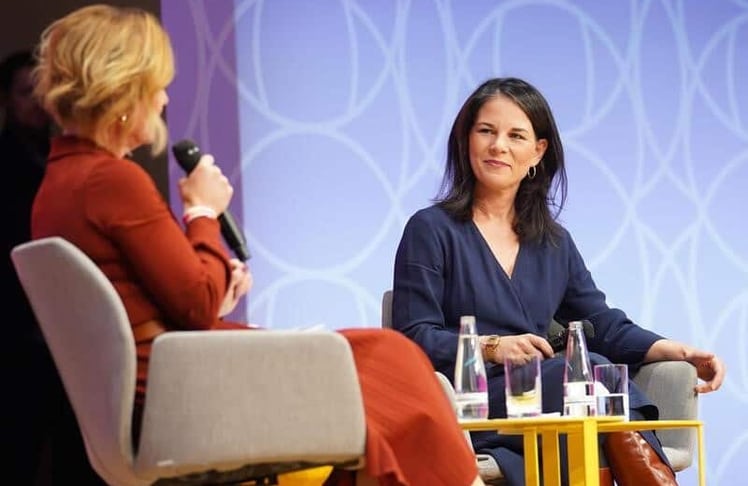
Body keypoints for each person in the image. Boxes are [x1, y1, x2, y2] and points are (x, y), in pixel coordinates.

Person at [30, 5, 484, 486]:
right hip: (182, 394)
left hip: (159, 387)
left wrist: (214, 288)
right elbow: (196, 305)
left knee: (387, 374)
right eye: (156, 86)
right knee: (389, 356)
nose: (163, 100)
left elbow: (160, 300)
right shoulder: (112, 180)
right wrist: (202, 213)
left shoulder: (58, 184)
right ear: (121, 89)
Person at [391, 77, 726, 486]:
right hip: (470, 404)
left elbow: (601, 323)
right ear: (466, 140)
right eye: (486, 131)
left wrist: (674, 349)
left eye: (516, 135)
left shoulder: (553, 242)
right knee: (586, 377)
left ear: (538, 152)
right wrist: (493, 349)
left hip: (550, 402)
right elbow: (412, 338)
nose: (499, 146)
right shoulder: (431, 229)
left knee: (592, 382)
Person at [1, 50, 103, 485]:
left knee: (76, 452)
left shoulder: (63, 160)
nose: (38, 103)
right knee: (18, 448)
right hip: (18, 329)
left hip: (66, 327)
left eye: (42, 92)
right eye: (26, 92)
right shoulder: (6, 165)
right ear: (5, 100)